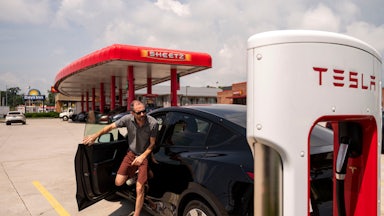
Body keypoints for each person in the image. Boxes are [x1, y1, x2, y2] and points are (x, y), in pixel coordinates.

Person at [82, 100, 158, 216]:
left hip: (144, 156)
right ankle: (139, 175)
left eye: (144, 111)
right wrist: (94, 136)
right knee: (118, 182)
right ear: (132, 113)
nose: (143, 114)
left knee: (139, 189)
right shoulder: (127, 119)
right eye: (139, 113)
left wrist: (142, 157)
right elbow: (110, 127)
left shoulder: (153, 123)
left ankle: (136, 214)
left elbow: (152, 144)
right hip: (131, 154)